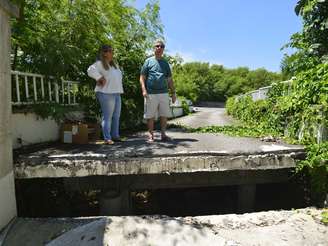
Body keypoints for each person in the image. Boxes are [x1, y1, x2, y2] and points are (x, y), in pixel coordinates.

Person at [140, 39, 176, 142]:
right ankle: (151, 135)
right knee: (150, 115)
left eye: (161, 46)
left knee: (164, 114)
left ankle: (163, 135)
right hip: (150, 93)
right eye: (157, 46)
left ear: (163, 49)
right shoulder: (148, 61)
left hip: (163, 93)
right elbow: (142, 77)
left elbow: (169, 79)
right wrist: (144, 90)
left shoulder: (165, 63)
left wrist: (173, 93)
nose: (159, 48)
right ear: (154, 48)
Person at [87, 44, 123, 145]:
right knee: (108, 116)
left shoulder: (114, 65)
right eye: (110, 51)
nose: (112, 53)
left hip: (116, 93)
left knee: (116, 116)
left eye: (112, 51)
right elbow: (90, 70)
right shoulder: (99, 64)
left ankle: (115, 136)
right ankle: (107, 138)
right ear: (104, 53)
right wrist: (99, 78)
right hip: (105, 93)